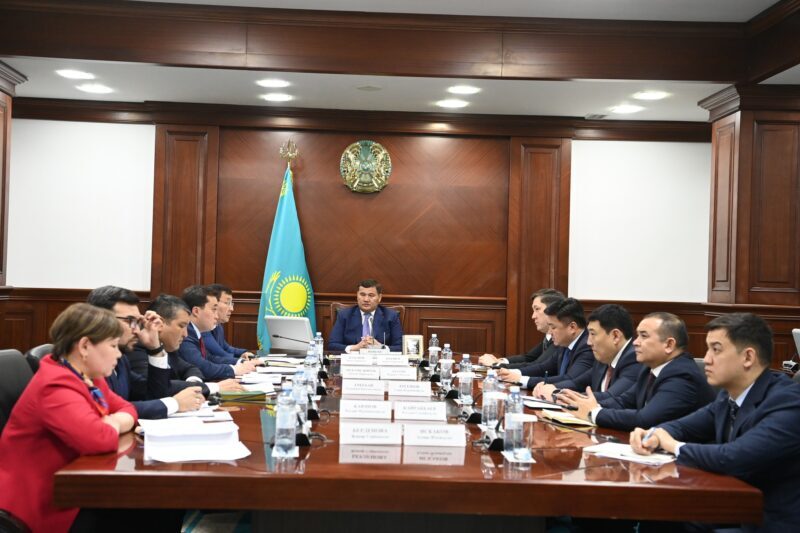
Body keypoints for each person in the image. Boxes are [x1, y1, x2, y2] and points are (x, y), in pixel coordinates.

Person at [631, 313, 800, 532]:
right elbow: (683, 426)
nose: (707, 359)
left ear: (748, 357)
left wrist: (673, 445)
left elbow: (734, 457)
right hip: (732, 508)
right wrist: (654, 434)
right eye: (708, 349)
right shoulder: (727, 396)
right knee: (657, 515)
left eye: (716, 350)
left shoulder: (788, 401)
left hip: (767, 522)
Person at [0, 303, 137, 532]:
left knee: (148, 509)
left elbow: (127, 407)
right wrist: (113, 424)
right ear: (84, 346)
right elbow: (99, 439)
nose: (119, 353)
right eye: (113, 345)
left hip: (74, 487)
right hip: (43, 502)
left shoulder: (87, 376)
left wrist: (114, 421)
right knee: (147, 511)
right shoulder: (54, 385)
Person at [558, 312, 715, 431]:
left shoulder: (682, 375)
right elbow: (623, 401)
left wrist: (594, 413)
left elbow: (645, 419)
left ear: (669, 345)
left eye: (643, 336)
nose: (635, 342)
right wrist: (580, 405)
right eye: (637, 335)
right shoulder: (650, 368)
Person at [87, 286, 204, 418]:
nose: (137, 330)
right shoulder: (87, 363)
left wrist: (155, 349)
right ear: (100, 320)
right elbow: (110, 409)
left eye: (138, 322)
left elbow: (155, 394)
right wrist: (174, 403)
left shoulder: (121, 360)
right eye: (130, 321)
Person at [129, 294, 245, 396]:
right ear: (158, 324)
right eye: (181, 326)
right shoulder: (137, 348)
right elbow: (157, 387)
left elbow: (190, 368)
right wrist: (211, 387)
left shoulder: (167, 347)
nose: (185, 334)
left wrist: (193, 384)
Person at [531, 303, 642, 401]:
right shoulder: (604, 358)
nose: (588, 342)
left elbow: (611, 397)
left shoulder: (634, 359)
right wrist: (550, 387)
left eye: (593, 334)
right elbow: (577, 383)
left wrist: (557, 394)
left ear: (615, 336)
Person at [497, 298, 594, 390]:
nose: (550, 332)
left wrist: (522, 380)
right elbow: (544, 367)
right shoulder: (565, 343)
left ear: (572, 327)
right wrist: (511, 373)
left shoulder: (587, 347)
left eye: (553, 327)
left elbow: (569, 379)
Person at [177, 285, 256, 381]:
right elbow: (202, 367)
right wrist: (234, 370)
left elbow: (210, 358)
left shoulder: (195, 330)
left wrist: (240, 362)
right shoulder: (186, 333)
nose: (216, 316)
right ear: (196, 311)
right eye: (214, 309)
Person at [478, 288, 565, 368]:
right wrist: (500, 361)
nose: (533, 316)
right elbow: (528, 357)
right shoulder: (549, 337)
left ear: (552, 310)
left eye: (537, 309)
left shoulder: (560, 337)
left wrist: (496, 365)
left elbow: (537, 366)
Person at [328, 279, 403, 352]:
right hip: (354, 358)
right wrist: (355, 347)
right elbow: (332, 345)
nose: (366, 299)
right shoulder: (344, 315)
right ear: (357, 296)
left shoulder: (391, 316)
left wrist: (381, 347)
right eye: (362, 295)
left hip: (379, 359)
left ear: (379, 298)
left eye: (371, 295)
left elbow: (400, 347)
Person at [203, 283, 256, 363]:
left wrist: (244, 352)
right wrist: (241, 361)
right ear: (214, 303)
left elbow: (226, 348)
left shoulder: (218, 325)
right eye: (227, 303)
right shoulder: (203, 326)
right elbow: (219, 353)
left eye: (232, 304)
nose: (232, 309)